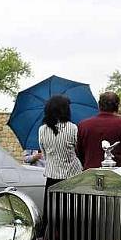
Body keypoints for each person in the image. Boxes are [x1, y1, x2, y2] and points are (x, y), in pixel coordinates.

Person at [37, 95, 83, 226]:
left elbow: (44, 154)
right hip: (73, 176)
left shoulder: (42, 130)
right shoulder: (73, 128)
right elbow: (78, 149)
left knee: (52, 216)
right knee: (74, 215)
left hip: (52, 176)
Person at [76, 92, 121, 168]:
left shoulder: (83, 125)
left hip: (91, 171)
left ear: (99, 105)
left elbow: (79, 152)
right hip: (118, 172)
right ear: (117, 106)